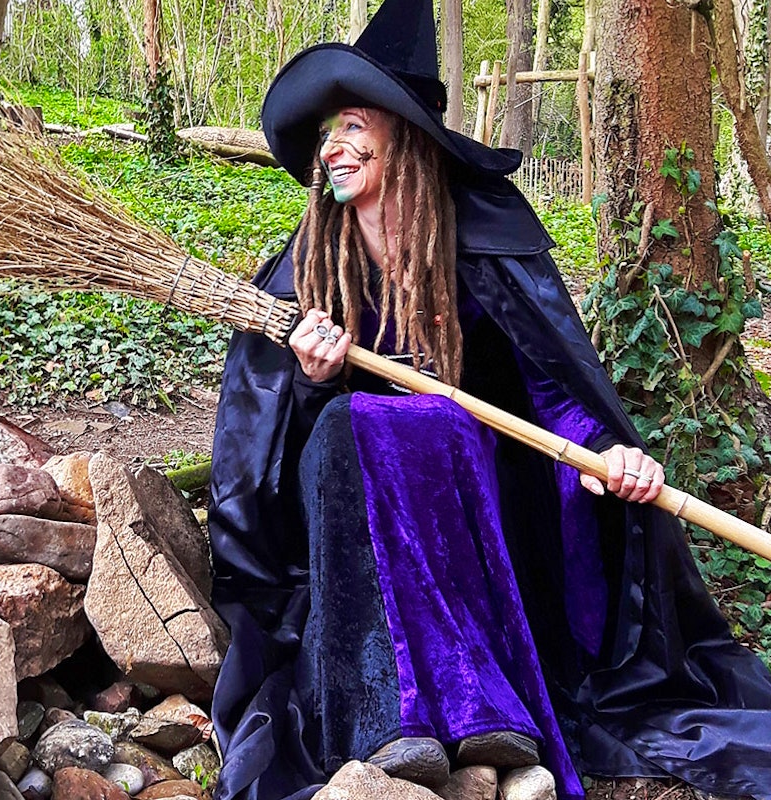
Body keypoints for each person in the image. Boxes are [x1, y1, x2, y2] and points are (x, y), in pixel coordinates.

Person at [206, 1, 771, 798]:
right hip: (344, 518)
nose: (330, 146)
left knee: (436, 421)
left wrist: (606, 452)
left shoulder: (483, 243)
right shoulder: (305, 268)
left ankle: (485, 710)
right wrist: (311, 377)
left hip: (470, 500)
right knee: (348, 423)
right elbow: (261, 445)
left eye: (352, 125)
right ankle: (386, 718)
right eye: (325, 131)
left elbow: (549, 387)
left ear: (406, 136)